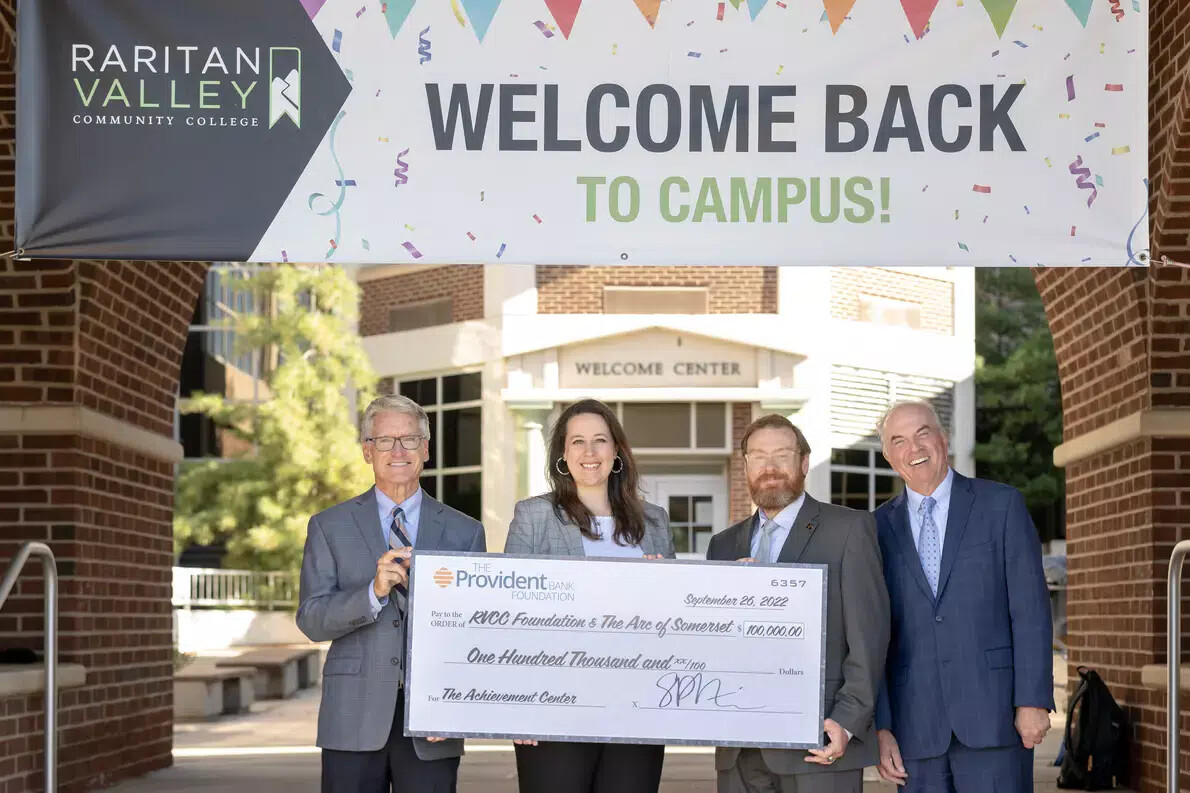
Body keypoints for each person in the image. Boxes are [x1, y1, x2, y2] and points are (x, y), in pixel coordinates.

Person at [296, 394, 486, 793]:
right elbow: (312, 619)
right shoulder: (328, 526)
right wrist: (372, 592)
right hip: (352, 717)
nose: (398, 450)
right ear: (367, 451)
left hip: (433, 721)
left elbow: (474, 631)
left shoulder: (465, 532)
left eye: (410, 439)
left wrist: (457, 708)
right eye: (385, 440)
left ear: (427, 449)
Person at [872, 400, 1053, 793]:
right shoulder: (875, 529)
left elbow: (1030, 610)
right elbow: (874, 635)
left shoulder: (1001, 505)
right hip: (914, 727)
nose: (914, 449)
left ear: (943, 437)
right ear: (888, 456)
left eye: (922, 433)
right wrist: (881, 727)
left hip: (996, 717)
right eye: (898, 441)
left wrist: (1033, 700)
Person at [707, 414, 890, 793]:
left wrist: (848, 719)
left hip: (819, 742)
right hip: (739, 750)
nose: (769, 467)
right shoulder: (723, 546)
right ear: (745, 466)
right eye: (757, 456)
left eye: (781, 455)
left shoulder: (849, 529)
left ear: (804, 463)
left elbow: (869, 637)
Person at [504, 398, 675, 793]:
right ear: (563, 453)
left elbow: (671, 620)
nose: (590, 452)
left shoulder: (654, 522)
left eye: (600, 440)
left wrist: (660, 590)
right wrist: (514, 704)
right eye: (577, 441)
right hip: (552, 707)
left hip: (637, 709)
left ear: (617, 451)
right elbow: (509, 616)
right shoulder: (534, 515)